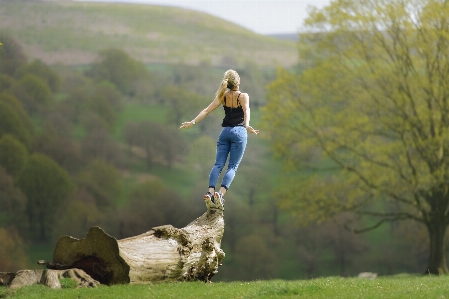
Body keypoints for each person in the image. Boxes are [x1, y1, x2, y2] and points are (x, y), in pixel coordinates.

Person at [179, 69, 259, 210]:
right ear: (238, 81)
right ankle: (220, 194)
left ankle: (210, 193)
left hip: (224, 133)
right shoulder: (243, 96)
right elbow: (246, 111)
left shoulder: (223, 96)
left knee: (218, 165)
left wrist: (193, 122)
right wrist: (246, 126)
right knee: (232, 166)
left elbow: (206, 110)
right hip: (239, 132)